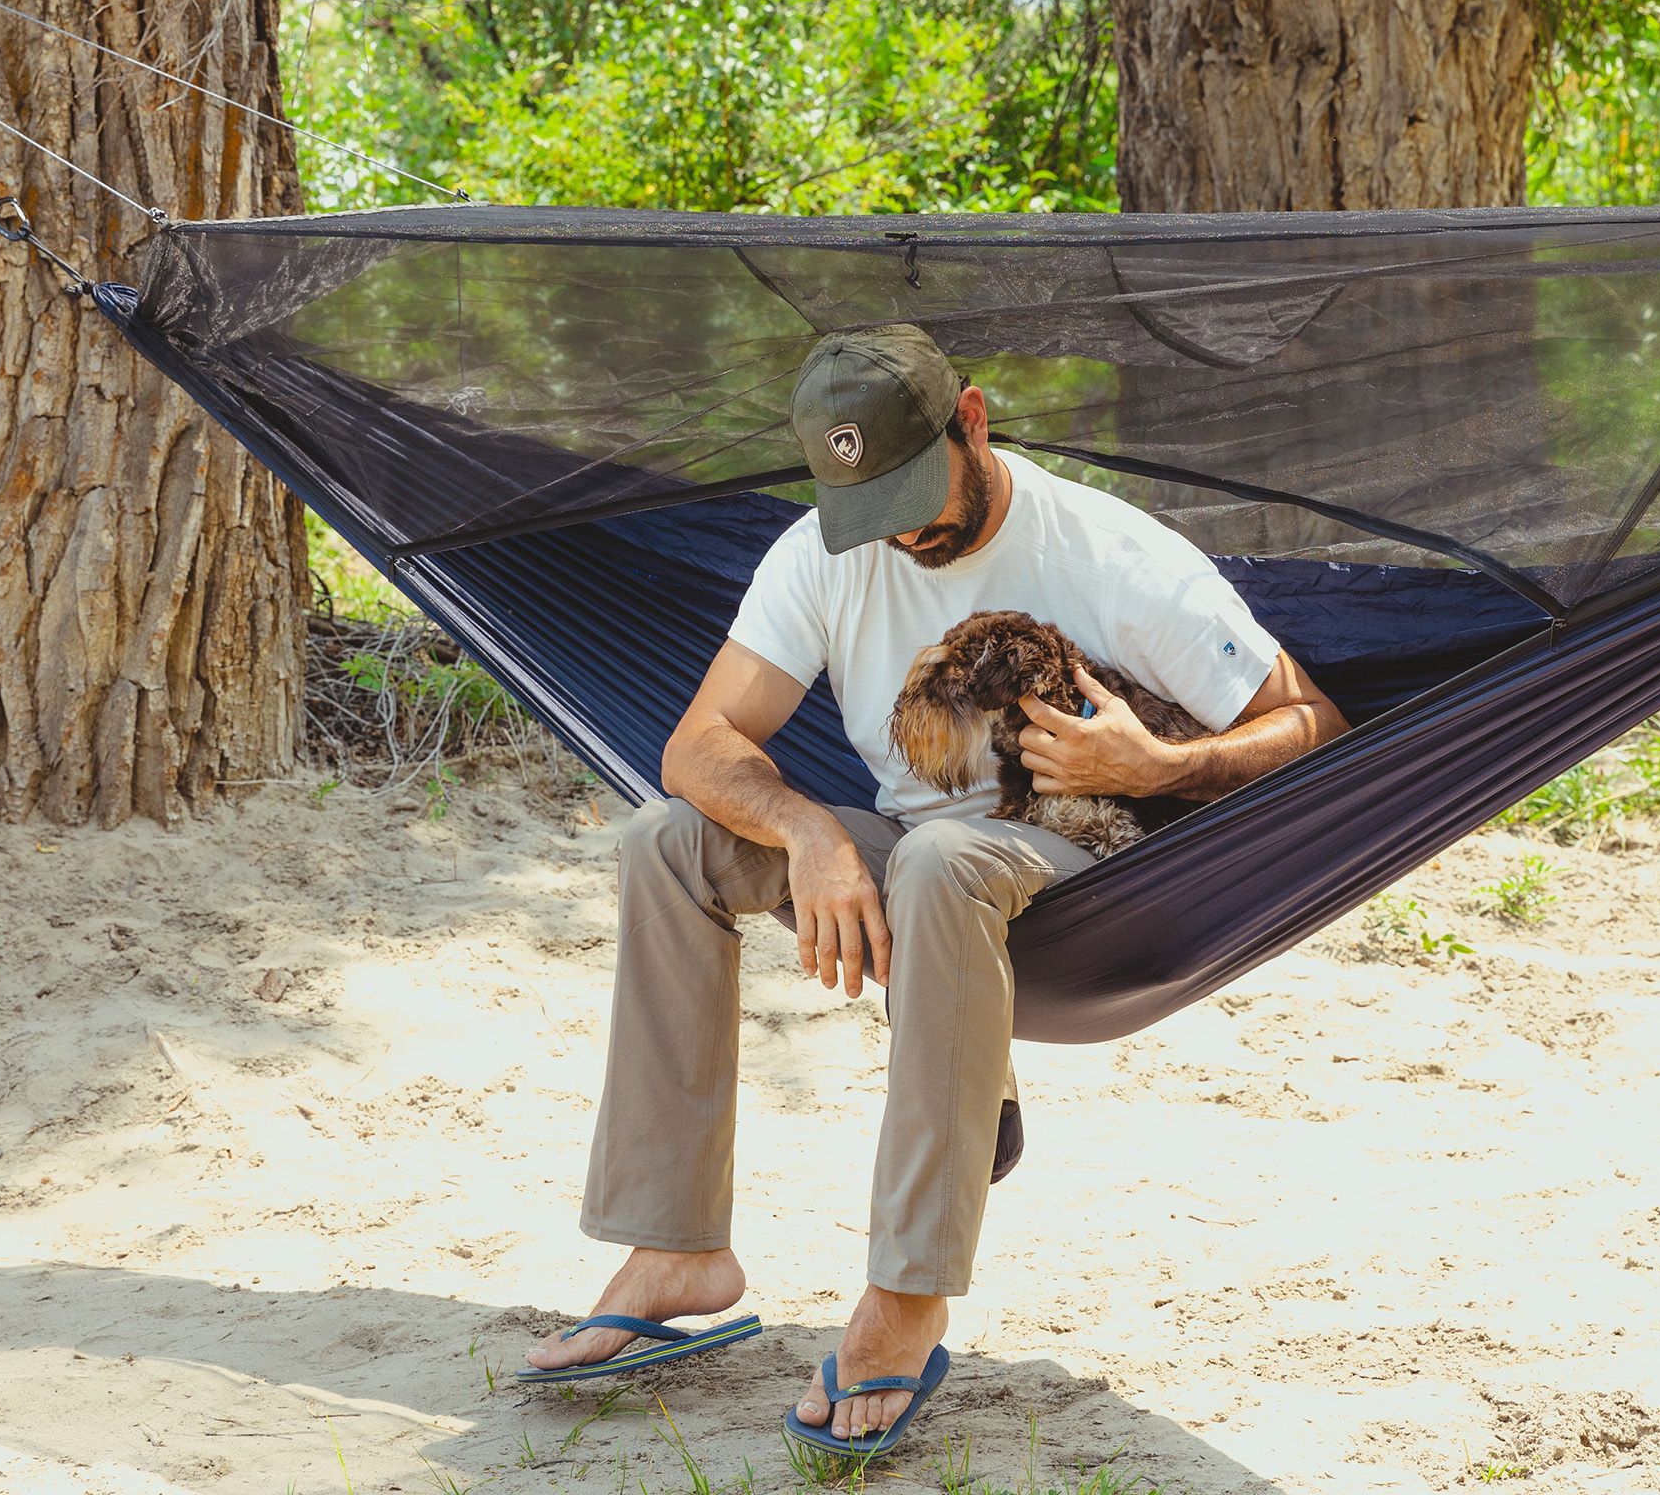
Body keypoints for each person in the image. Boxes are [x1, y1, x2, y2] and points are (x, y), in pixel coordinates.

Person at [524, 324, 1347, 1448]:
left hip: (1088, 870)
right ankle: (678, 1246)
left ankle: (907, 1289)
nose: (901, 528)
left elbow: (1313, 726)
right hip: (907, 856)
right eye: (871, 505)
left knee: (939, 858)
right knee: (672, 840)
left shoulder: (1111, 556)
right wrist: (808, 833)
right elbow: (700, 742)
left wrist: (1159, 766)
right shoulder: (829, 549)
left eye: (914, 490)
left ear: (972, 416)